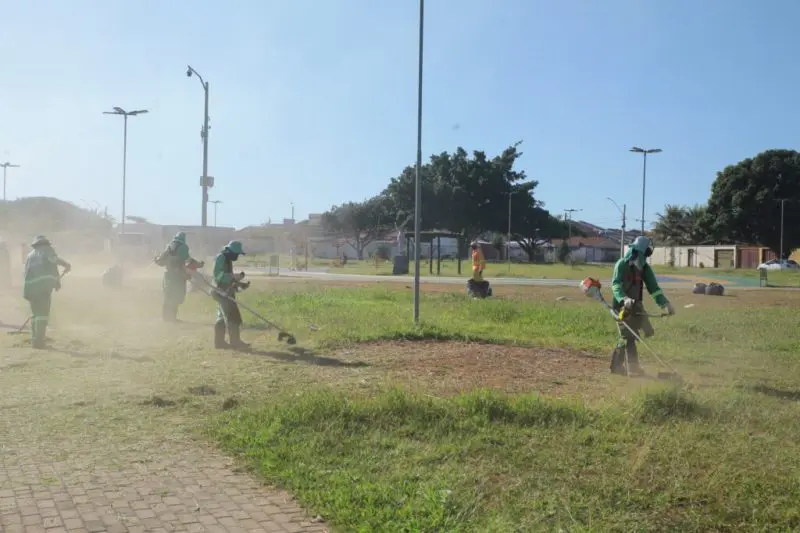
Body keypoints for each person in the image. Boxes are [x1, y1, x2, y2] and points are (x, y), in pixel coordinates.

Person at [610, 236, 675, 375]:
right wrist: (623, 299)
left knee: (645, 331)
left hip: (636, 306)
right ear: (635, 252)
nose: (644, 258)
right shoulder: (621, 264)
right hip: (621, 307)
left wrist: (665, 304)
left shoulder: (645, 268)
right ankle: (632, 369)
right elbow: (615, 285)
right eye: (643, 254)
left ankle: (617, 367)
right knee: (628, 335)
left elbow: (654, 289)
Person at [23, 235, 71, 349]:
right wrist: (66, 264)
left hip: (29, 289)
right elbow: (54, 260)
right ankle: (39, 342)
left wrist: (55, 281)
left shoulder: (30, 255)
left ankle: (35, 340)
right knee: (42, 315)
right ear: (45, 243)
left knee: (35, 315)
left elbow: (47, 268)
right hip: (42, 288)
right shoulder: (46, 250)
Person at [154, 232, 203, 322]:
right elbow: (189, 260)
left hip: (168, 274)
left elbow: (161, 259)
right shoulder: (183, 247)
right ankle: (172, 318)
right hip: (178, 276)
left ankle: (166, 317)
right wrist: (199, 264)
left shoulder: (169, 246)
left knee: (168, 295)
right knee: (176, 295)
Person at [212, 240, 251, 350]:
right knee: (233, 316)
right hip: (220, 291)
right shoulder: (221, 258)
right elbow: (218, 276)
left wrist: (239, 284)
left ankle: (219, 343)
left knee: (221, 318)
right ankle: (235, 342)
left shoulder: (227, 259)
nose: (237, 256)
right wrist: (234, 277)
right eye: (237, 254)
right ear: (231, 252)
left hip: (224, 290)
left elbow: (227, 278)